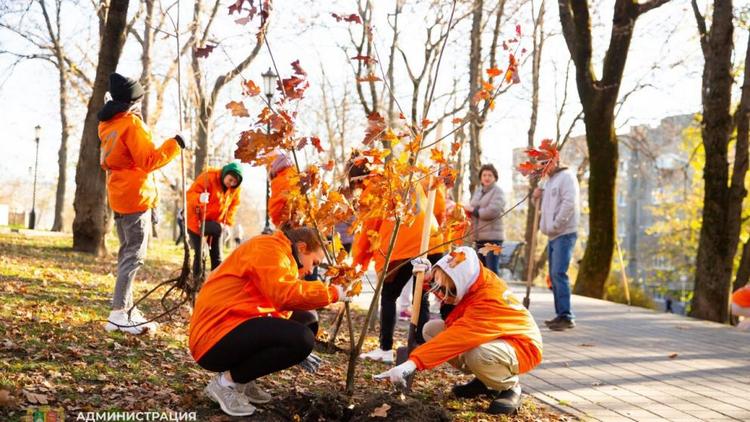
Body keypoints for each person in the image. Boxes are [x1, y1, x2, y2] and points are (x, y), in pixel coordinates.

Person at [189, 227, 348, 416]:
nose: (311, 270)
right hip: (213, 338)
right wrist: (333, 293)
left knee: (307, 319)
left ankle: (243, 380)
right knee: (301, 338)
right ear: (302, 247)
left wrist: (292, 348)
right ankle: (225, 384)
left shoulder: (282, 254)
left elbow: (275, 306)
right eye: (314, 262)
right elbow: (284, 295)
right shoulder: (268, 249)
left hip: (232, 323)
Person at [374, 247, 543, 415]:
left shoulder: (486, 300)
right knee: (431, 330)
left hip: (522, 345)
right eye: (440, 288)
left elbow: (455, 338)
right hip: (496, 336)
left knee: (478, 354)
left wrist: (413, 363)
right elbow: (448, 286)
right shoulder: (470, 278)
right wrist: (426, 277)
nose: (443, 296)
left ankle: (511, 387)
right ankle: (484, 381)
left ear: (463, 284)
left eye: (450, 291)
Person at [99, 72, 183, 335]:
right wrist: (175, 144)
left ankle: (127, 308)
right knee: (133, 256)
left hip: (120, 195)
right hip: (136, 197)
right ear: (132, 101)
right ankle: (119, 313)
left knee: (127, 253)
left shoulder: (107, 124)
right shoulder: (131, 124)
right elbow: (148, 160)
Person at [353, 166, 444, 363]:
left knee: (388, 295)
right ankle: (419, 349)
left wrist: (357, 265)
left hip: (401, 248)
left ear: (359, 180)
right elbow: (437, 199)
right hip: (431, 238)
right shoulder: (405, 176)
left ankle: (385, 348)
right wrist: (439, 222)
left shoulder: (373, 190)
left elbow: (367, 233)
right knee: (421, 296)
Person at [533, 159, 580, 331]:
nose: (544, 167)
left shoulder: (566, 177)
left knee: (558, 273)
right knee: (554, 276)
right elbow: (544, 208)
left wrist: (556, 225)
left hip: (564, 232)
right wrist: (536, 197)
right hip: (553, 235)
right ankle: (560, 314)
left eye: (547, 162)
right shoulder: (549, 181)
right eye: (542, 164)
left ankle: (566, 316)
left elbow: (569, 203)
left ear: (555, 161)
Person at [186, 162, 243, 279]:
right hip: (196, 221)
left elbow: (233, 206)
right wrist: (199, 198)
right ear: (225, 174)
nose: (231, 184)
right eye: (230, 180)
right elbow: (190, 194)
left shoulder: (234, 190)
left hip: (215, 224)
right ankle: (197, 282)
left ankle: (215, 283)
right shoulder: (208, 177)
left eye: (234, 183)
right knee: (200, 253)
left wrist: (227, 225)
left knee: (217, 256)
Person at [464, 164, 505, 275]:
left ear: (495, 178)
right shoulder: (478, 191)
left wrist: (474, 210)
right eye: (484, 175)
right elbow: (472, 206)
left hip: (493, 239)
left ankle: (496, 292)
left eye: (490, 175)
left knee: (491, 271)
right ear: (481, 178)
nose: (487, 178)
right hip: (479, 238)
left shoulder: (498, 192)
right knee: (482, 272)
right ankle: (486, 293)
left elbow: (492, 211)